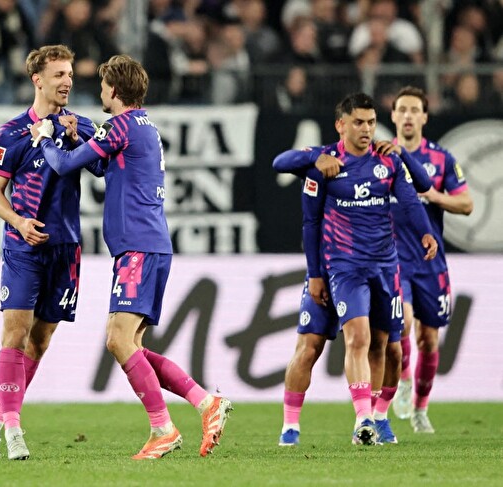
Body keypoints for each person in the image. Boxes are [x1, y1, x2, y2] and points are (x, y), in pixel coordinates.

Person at [31, 54, 232, 460]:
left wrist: (46, 138)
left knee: (118, 340)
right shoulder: (143, 127)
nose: (100, 92)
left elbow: (65, 165)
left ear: (115, 90)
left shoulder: (120, 126)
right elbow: (104, 168)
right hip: (148, 245)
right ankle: (205, 402)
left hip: (138, 248)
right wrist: (77, 137)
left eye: (103, 85)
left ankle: (163, 429)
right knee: (131, 344)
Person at [272, 104, 433, 446]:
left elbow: (416, 193)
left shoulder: (386, 160)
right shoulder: (325, 162)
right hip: (336, 268)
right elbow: (282, 168)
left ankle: (378, 417)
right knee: (312, 347)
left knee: (389, 349)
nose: (366, 129)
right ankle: (291, 426)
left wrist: (425, 232)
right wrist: (315, 273)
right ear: (340, 125)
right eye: (358, 122)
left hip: (382, 268)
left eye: (371, 122)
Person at [0, 44, 103, 461]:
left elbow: (103, 168)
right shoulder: (10, 134)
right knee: (15, 333)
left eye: (70, 74)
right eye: (59, 75)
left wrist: (77, 137)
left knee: (40, 340)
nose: (68, 82)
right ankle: (13, 430)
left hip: (65, 248)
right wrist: (18, 222)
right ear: (38, 79)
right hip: (23, 246)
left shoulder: (80, 125)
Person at [389, 86, 473, 433]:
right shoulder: (382, 157)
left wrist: (435, 196)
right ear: (393, 116)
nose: (408, 115)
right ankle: (403, 380)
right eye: (402, 109)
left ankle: (421, 409)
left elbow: (466, 204)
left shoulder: (441, 159)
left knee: (429, 339)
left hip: (430, 260)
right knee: (403, 323)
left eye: (414, 110)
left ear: (424, 117)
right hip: (394, 258)